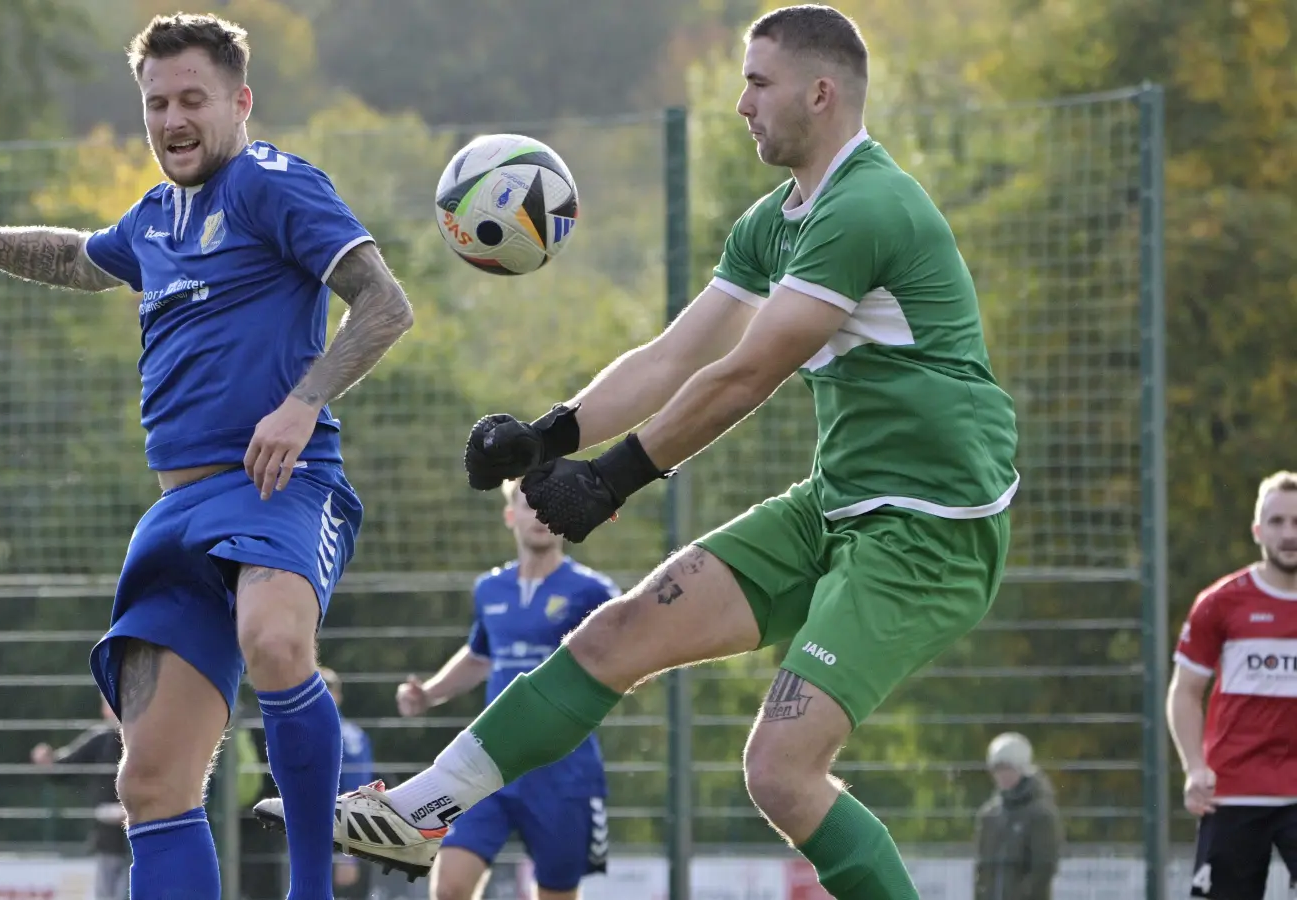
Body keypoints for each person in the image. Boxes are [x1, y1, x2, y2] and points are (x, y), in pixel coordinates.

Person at [259, 6, 1019, 898]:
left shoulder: (866, 207)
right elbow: (672, 356)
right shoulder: (777, 222)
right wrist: (551, 434)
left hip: (929, 530)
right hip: (841, 501)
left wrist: (614, 477)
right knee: (611, 636)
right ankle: (419, 811)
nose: (741, 103)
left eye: (757, 81)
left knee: (780, 770)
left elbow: (746, 376)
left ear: (821, 91)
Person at [0, 13, 414, 899]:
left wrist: (304, 404)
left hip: (277, 486)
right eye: (157, 104)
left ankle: (316, 888)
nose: (174, 119)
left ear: (241, 101)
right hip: (178, 514)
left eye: (194, 99)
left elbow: (385, 304)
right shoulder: (155, 214)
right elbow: (77, 258)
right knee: (148, 782)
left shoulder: (272, 184)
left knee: (273, 642)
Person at [394, 480, 617, 900]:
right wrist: (429, 693)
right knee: (450, 887)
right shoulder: (489, 589)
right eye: (530, 505)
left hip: (563, 772)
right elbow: (479, 656)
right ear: (510, 515)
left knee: (555, 893)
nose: (540, 515)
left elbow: (629, 653)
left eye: (550, 505)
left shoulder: (593, 591)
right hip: (490, 762)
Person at [1168, 471, 1297, 900]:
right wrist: (1193, 768)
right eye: (1277, 522)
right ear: (1257, 530)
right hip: (1235, 790)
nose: (1289, 534)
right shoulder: (1221, 602)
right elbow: (1185, 691)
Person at [31, 698, 129, 900]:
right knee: (109, 881)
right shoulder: (101, 738)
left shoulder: (147, 739)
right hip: (109, 833)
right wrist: (48, 762)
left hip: (143, 828)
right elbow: (65, 765)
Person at [972, 732, 1061, 900]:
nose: (1002, 775)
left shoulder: (1041, 814)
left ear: (1022, 768)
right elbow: (982, 870)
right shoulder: (989, 815)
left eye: (1007, 768)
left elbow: (1043, 869)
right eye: (997, 769)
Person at [321, 666, 377, 898]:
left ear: (338, 695)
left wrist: (347, 854)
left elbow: (356, 794)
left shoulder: (345, 736)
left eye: (326, 689)